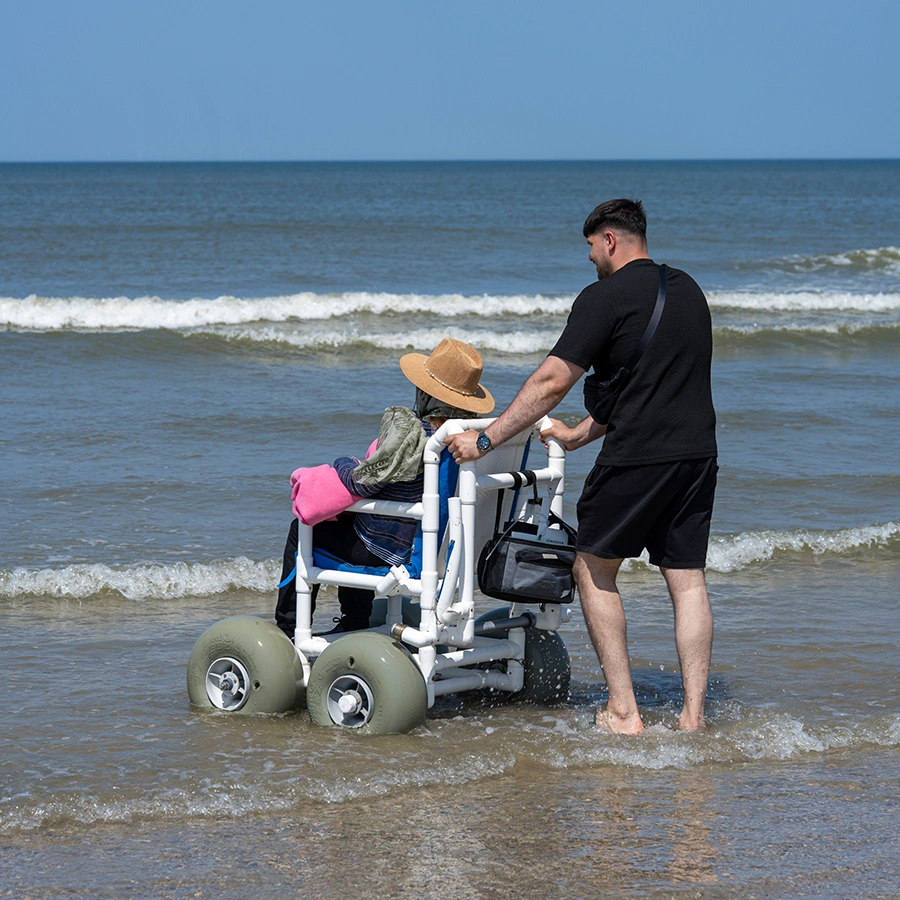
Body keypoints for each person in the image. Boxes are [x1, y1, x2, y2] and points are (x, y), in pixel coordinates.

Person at [446, 199, 717, 734]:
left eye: (591, 246)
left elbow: (551, 381)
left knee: (592, 568)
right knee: (687, 582)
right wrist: (575, 436)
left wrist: (487, 437)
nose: (590, 257)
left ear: (611, 240)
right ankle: (693, 717)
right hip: (697, 455)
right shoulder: (687, 291)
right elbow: (644, 387)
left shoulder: (603, 298)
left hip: (638, 457)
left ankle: (622, 711)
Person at [276, 338, 495, 637]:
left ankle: (288, 629)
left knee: (305, 530)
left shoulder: (418, 439)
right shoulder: (477, 440)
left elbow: (363, 483)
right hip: (453, 549)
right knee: (354, 525)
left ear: (427, 395)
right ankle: (354, 622)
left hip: (395, 551)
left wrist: (344, 463)